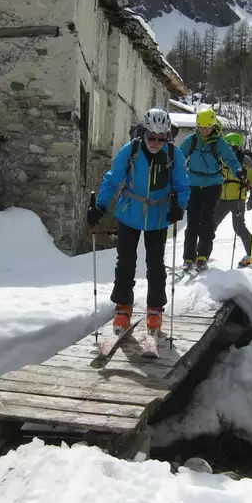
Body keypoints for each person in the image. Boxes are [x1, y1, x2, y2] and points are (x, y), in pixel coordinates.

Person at [88, 108, 190, 336]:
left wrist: (179, 206)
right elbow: (112, 179)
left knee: (155, 264)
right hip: (129, 212)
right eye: (151, 137)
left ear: (167, 137)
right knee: (125, 262)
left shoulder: (174, 155)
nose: (155, 142)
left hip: (158, 215)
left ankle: (155, 309)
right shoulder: (131, 150)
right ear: (144, 133)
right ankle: (123, 307)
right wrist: (100, 206)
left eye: (161, 138)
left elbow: (183, 186)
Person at [179, 108, 243, 272]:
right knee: (192, 222)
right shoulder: (191, 140)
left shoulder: (219, 142)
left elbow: (230, 159)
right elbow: (179, 156)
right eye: (201, 127)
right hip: (193, 183)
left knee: (207, 221)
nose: (204, 130)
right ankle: (188, 257)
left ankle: (203, 257)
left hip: (213, 185)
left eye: (207, 127)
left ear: (213, 126)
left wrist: (239, 171)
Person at [211, 133, 252, 267]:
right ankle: (200, 255)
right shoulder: (220, 157)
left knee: (239, 228)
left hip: (237, 199)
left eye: (228, 144)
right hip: (221, 198)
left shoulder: (244, 160)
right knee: (210, 226)